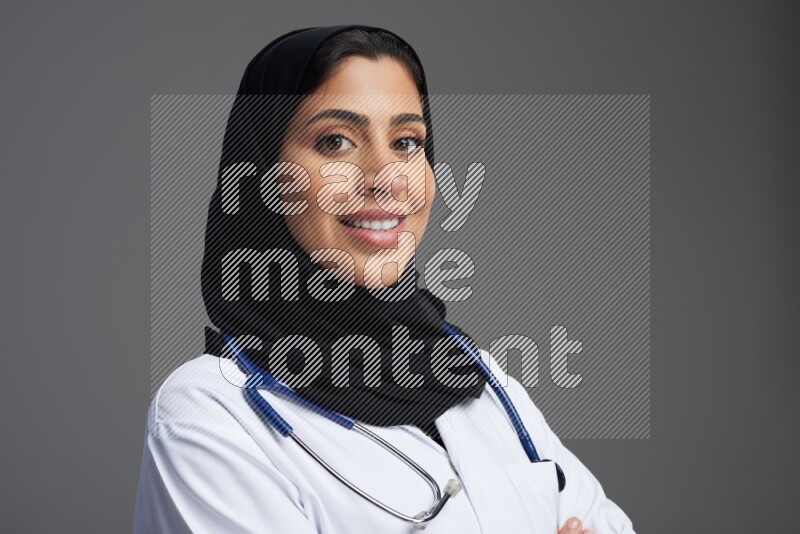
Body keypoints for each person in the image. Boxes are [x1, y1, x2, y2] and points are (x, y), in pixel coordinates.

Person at [133, 24, 635, 533]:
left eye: (406, 142)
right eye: (335, 142)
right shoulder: (208, 414)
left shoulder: (480, 381)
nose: (385, 176)